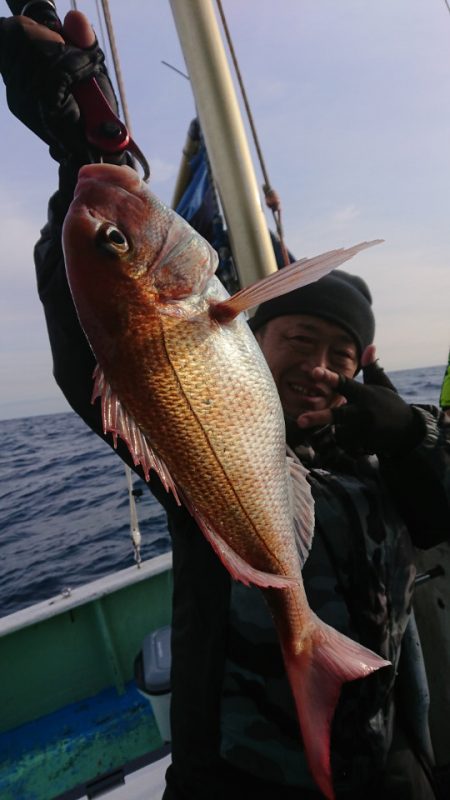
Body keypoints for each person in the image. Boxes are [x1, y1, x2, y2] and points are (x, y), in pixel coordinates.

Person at [1, 11, 450, 800]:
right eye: (298, 341)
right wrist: (81, 148)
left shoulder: (385, 452)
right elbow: (102, 350)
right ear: (253, 332)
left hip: (384, 761)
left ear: (365, 366)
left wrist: (411, 433)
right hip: (237, 780)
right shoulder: (198, 447)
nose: (317, 367)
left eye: (339, 355)